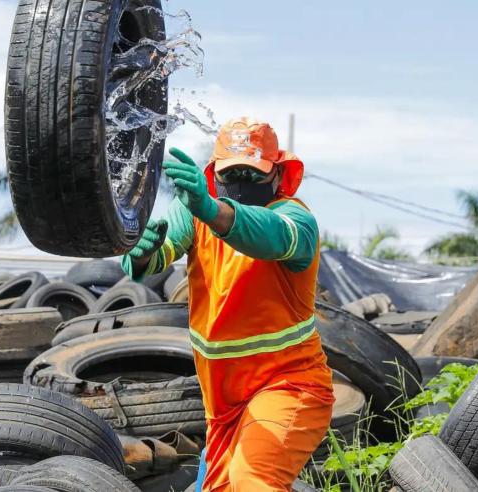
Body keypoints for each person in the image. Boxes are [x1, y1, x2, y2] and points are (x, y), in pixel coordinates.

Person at [122, 117, 334, 492]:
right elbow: (155, 256)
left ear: (276, 174)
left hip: (288, 386)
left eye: (252, 174)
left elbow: (268, 235)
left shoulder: (295, 218)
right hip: (222, 408)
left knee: (254, 481)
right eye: (232, 173)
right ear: (214, 173)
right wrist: (139, 256)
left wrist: (212, 210)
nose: (240, 183)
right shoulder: (194, 214)